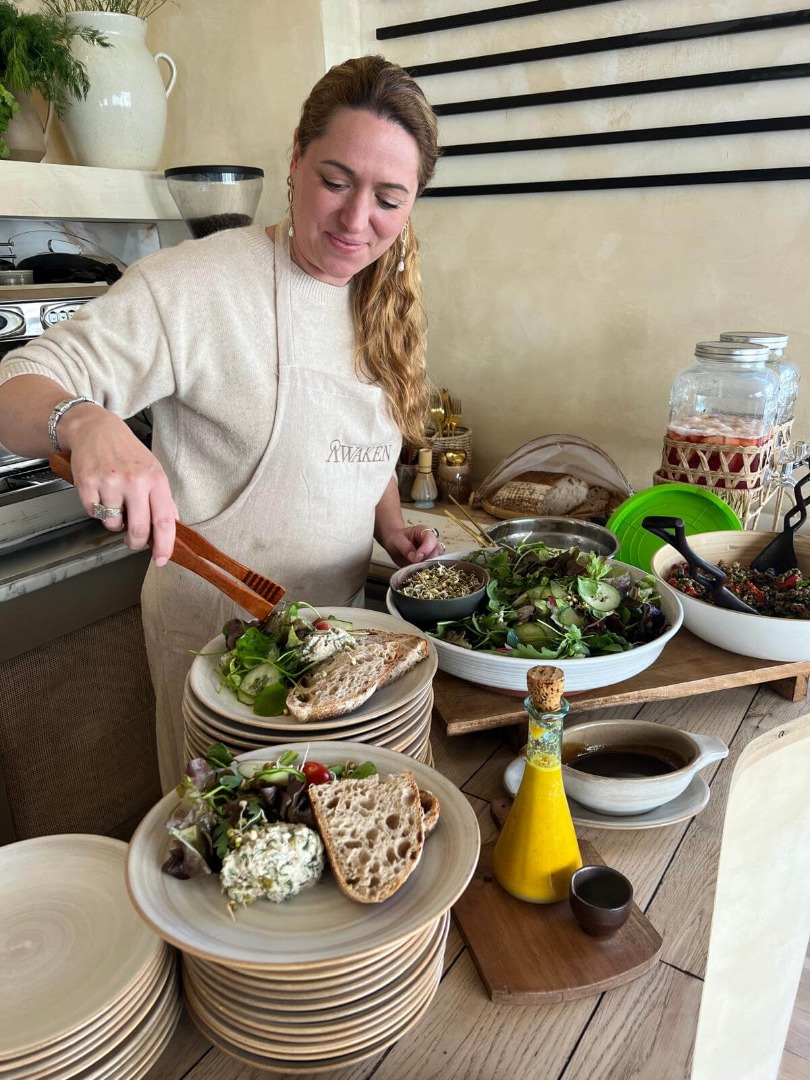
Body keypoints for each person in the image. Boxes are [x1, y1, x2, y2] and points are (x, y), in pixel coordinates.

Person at [0, 55, 445, 792]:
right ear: (295, 159)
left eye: (389, 199)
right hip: (219, 653)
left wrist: (390, 527)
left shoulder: (384, 298)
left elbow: (359, 441)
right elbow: (16, 382)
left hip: (342, 646)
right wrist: (81, 420)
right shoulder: (199, 284)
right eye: (336, 181)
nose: (356, 220)